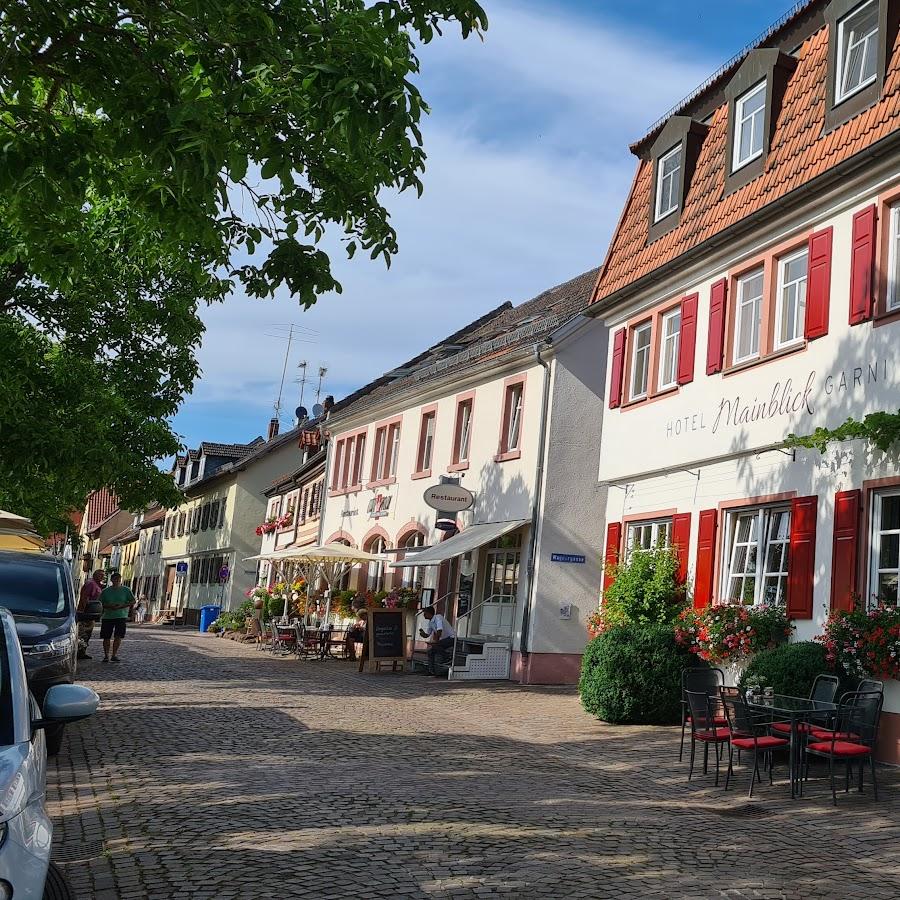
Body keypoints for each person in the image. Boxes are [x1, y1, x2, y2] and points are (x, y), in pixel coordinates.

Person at [99, 572, 134, 662]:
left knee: (118, 636)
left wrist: (122, 606)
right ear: (111, 580)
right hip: (108, 617)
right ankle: (106, 655)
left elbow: (132, 601)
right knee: (106, 637)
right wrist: (109, 606)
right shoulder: (105, 591)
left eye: (118, 579)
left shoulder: (126, 590)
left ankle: (114, 655)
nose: (117, 581)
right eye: (115, 579)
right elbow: (100, 603)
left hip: (121, 616)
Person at [76, 570, 106, 660]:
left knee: (87, 634)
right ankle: (78, 652)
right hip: (86, 613)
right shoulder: (91, 584)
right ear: (95, 575)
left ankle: (82, 652)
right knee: (82, 633)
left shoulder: (97, 585)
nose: (102, 577)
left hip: (91, 614)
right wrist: (86, 610)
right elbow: (85, 597)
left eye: (103, 575)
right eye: (100, 575)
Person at [418, 606, 456, 676]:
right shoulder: (430, 622)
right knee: (430, 652)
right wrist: (423, 634)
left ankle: (447, 657)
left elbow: (439, 630)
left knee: (435, 645)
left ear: (429, 613)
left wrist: (436, 641)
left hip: (451, 638)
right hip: (444, 640)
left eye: (425, 614)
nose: (424, 615)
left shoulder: (438, 618)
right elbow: (427, 634)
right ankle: (431, 671)